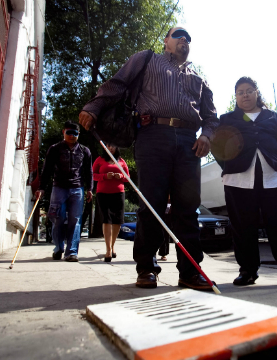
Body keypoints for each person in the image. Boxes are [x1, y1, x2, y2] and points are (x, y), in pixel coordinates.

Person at [79, 27, 219, 290]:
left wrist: (208, 136)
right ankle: (146, 268)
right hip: (153, 135)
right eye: (178, 35)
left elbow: (211, 117)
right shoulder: (146, 59)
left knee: (187, 209)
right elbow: (117, 83)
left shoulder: (199, 79)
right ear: (166, 41)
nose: (184, 40)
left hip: (190, 143)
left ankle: (190, 272)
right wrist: (93, 107)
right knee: (151, 204)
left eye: (188, 38)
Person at [211, 77, 277, 288]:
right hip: (237, 180)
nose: (245, 95)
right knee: (243, 227)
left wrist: (273, 160)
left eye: (249, 91)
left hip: (273, 178)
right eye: (240, 92)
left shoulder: (272, 116)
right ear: (236, 97)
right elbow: (217, 148)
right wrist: (230, 166)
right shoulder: (227, 119)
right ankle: (248, 271)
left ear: (256, 93)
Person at [36, 121, 93, 262]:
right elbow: (46, 169)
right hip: (58, 188)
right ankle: (59, 248)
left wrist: (90, 189)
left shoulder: (85, 151)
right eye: (69, 132)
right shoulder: (54, 149)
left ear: (79, 134)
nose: (72, 136)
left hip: (77, 189)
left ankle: (72, 252)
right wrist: (41, 187)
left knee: (75, 220)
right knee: (57, 218)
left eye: (75, 133)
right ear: (63, 132)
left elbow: (88, 172)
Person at [93, 143, 129, 262]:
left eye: (113, 146)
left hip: (118, 193)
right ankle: (108, 249)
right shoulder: (99, 159)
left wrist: (120, 176)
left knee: (117, 220)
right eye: (108, 146)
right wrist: (104, 176)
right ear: (105, 147)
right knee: (106, 219)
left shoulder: (122, 161)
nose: (111, 148)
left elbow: (127, 177)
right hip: (103, 193)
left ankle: (113, 246)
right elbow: (93, 175)